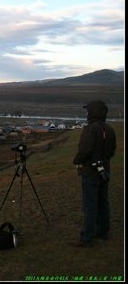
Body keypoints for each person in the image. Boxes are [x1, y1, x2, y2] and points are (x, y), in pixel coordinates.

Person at [73, 100, 117, 247]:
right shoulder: (110, 129)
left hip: (90, 173)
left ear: (93, 112)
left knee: (90, 205)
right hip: (105, 171)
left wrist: (77, 160)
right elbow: (112, 151)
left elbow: (84, 151)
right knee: (103, 202)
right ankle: (103, 231)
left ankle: (87, 237)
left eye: (88, 110)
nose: (87, 112)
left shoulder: (90, 129)